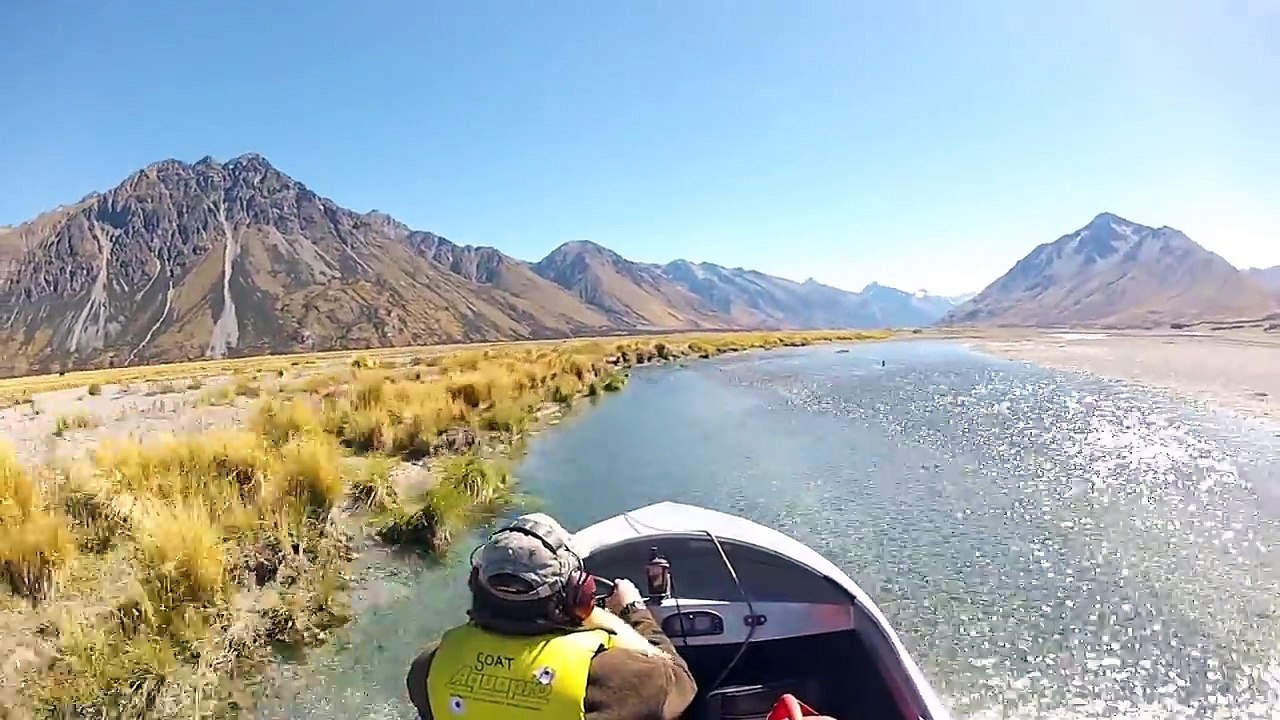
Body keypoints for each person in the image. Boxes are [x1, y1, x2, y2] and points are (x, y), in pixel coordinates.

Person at [406, 513, 698, 720]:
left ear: (476, 585)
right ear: (578, 595)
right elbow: (683, 683)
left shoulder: (429, 667)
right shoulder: (613, 678)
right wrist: (633, 611)